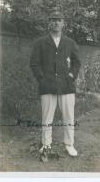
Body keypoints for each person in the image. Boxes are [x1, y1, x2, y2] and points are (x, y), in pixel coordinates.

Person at [30, 10, 81, 157]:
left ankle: (69, 144)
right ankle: (46, 144)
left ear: (63, 23)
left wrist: (71, 75)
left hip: (66, 86)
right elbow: (34, 63)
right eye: (53, 19)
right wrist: (41, 78)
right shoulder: (40, 42)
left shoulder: (70, 42)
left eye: (59, 20)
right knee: (47, 117)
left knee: (69, 116)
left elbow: (77, 62)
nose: (56, 22)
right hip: (47, 86)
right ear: (49, 23)